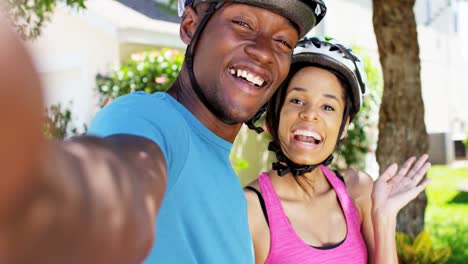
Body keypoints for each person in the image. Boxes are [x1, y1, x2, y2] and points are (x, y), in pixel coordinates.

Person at [0, 1, 327, 263]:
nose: (264, 51)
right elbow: (123, 183)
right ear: (190, 26)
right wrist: (38, 197)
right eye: (243, 24)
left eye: (283, 41)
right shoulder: (147, 118)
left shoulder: (230, 183)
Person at [244, 36, 431, 264]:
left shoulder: (358, 190)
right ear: (274, 117)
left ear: (343, 127)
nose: (310, 114)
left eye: (328, 106)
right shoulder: (250, 209)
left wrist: (384, 217)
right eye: (296, 100)